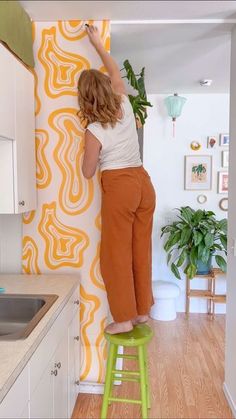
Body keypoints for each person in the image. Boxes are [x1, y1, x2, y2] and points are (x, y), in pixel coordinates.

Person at [77, 25, 156, 334]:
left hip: (120, 186)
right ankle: (141, 313)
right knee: (140, 248)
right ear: (108, 88)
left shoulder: (94, 131)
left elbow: (87, 171)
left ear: (85, 100)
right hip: (143, 183)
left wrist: (88, 151)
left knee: (115, 254)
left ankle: (123, 318)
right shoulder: (122, 102)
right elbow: (112, 67)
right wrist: (97, 42)